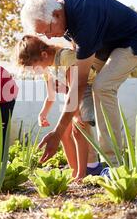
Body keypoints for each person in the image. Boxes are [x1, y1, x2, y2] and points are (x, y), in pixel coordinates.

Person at [20, 0, 137, 170]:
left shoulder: (84, 18)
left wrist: (58, 132)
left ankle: (114, 166)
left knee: (102, 87)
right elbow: (78, 73)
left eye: (48, 31)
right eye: (44, 35)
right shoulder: (61, 11)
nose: (49, 38)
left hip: (133, 40)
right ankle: (91, 165)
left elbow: (78, 84)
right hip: (104, 45)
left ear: (57, 15)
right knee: (80, 109)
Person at [17, 35, 105, 180]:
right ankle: (74, 171)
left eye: (34, 67)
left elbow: (76, 88)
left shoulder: (65, 57)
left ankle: (82, 174)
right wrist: (43, 113)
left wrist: (75, 114)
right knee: (63, 133)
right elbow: (51, 95)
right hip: (73, 94)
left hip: (86, 89)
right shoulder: (47, 68)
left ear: (44, 55)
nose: (34, 72)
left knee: (79, 129)